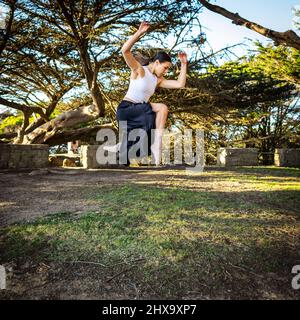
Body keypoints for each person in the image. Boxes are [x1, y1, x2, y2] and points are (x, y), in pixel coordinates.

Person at [105, 21, 188, 166]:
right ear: (156, 62)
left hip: (139, 113)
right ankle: (156, 144)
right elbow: (125, 51)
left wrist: (184, 65)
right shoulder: (139, 70)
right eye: (165, 67)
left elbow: (180, 84)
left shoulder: (157, 80)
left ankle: (123, 149)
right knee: (161, 108)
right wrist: (139, 33)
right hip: (127, 110)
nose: (166, 71)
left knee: (150, 128)